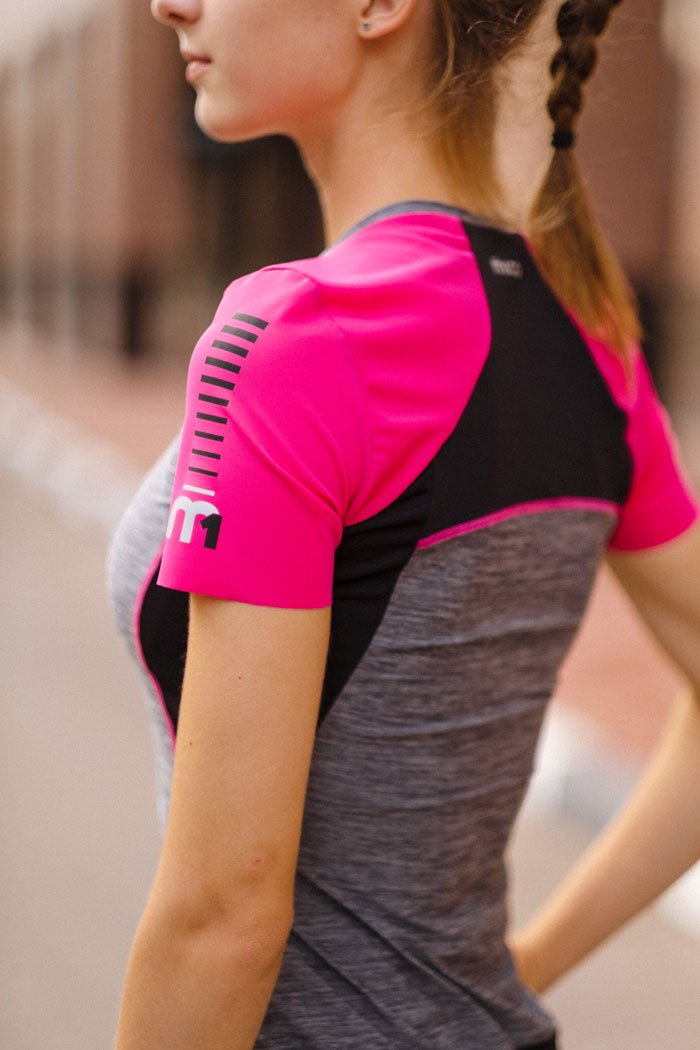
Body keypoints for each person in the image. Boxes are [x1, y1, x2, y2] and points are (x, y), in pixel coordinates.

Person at [106, 1, 700, 1047]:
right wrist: (519, 970)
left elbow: (221, 920)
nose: (170, 4)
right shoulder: (589, 333)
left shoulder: (299, 332)